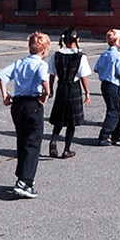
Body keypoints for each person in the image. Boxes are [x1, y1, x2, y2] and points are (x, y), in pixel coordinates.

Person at [0, 33, 52, 198]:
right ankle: (25, 181)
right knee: (33, 143)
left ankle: (22, 174)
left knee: (22, 140)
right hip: (32, 104)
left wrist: (5, 96)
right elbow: (45, 82)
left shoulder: (20, 63)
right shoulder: (41, 65)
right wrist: (46, 95)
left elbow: (1, 76)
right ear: (44, 50)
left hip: (18, 104)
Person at [48, 28, 92, 159]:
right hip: (74, 88)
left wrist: (49, 89)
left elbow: (51, 74)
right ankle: (67, 149)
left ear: (63, 40)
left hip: (61, 86)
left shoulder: (56, 55)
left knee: (59, 119)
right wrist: (87, 93)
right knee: (72, 122)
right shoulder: (80, 56)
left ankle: (54, 139)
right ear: (77, 40)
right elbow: (83, 76)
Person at [94, 29, 120, 146]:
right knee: (113, 110)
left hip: (104, 84)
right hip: (114, 84)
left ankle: (116, 131)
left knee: (113, 108)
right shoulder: (118, 55)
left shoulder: (104, 54)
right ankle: (105, 134)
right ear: (118, 42)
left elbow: (96, 68)